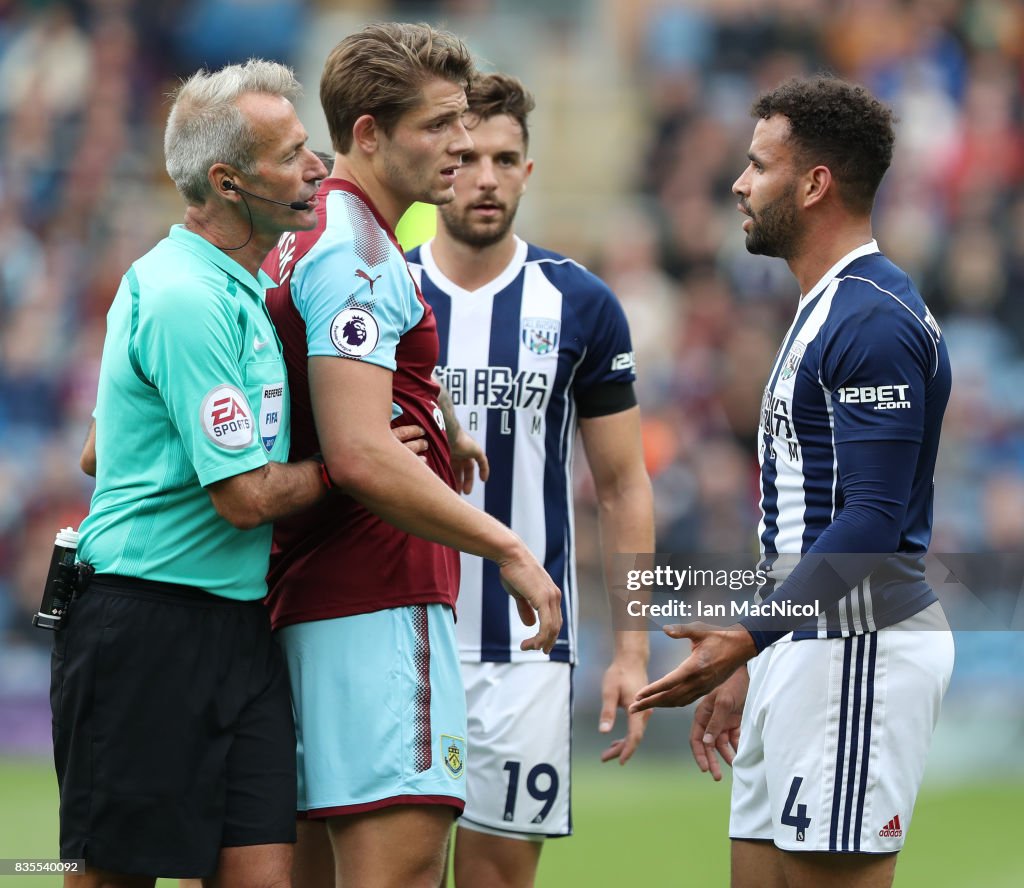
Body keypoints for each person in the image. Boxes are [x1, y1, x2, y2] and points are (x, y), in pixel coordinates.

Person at [630, 76, 954, 888]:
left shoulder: (872, 320)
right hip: (798, 641)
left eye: (757, 166)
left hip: (857, 644)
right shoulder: (824, 306)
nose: (738, 184)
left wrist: (746, 635)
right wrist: (755, 651)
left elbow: (874, 522)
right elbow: (798, 518)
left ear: (814, 185)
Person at [261, 24, 563, 888]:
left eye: (463, 122)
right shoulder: (359, 254)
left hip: (310, 596)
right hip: (378, 594)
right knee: (401, 869)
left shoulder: (306, 224)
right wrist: (504, 545)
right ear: (367, 134)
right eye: (437, 126)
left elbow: (334, 400)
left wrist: (433, 412)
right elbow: (358, 450)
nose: (463, 145)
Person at [54, 60, 332, 887]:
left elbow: (98, 452)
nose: (315, 167)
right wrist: (353, 466)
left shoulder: (232, 286)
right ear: (229, 182)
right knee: (114, 875)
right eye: (290, 153)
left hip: (235, 627)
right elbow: (246, 498)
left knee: (261, 876)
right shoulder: (186, 297)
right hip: (144, 623)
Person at [405, 72, 655, 888]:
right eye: (467, 156)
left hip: (526, 651)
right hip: (398, 634)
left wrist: (629, 646)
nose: (485, 177)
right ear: (439, 164)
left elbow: (623, 485)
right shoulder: (385, 289)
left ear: (528, 171)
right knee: (394, 873)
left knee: (498, 880)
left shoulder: (578, 302)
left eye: (505, 159)